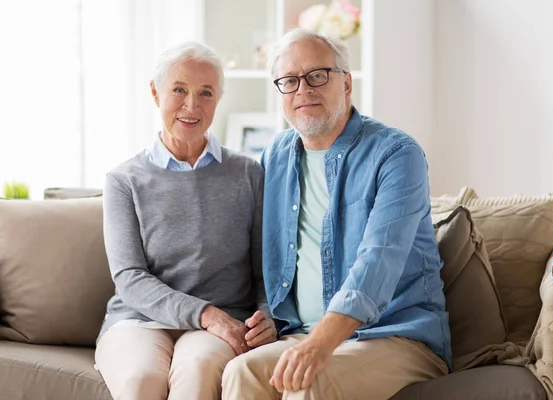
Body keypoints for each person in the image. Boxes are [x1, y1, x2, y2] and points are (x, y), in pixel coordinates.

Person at [222, 28, 451, 400]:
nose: (303, 90)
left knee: (308, 384)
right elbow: (266, 255)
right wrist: (267, 313)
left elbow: (378, 261)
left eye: (317, 76)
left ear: (346, 84)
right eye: (289, 81)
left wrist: (320, 344)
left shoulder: (396, 155)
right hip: (301, 332)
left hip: (395, 335)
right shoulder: (275, 156)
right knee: (240, 372)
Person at [95, 41, 277, 400]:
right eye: (179, 89)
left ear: (218, 100)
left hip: (223, 323)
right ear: (155, 92)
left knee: (197, 373)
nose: (191, 106)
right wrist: (205, 314)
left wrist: (266, 316)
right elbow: (129, 278)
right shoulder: (124, 180)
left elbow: (265, 268)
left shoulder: (249, 174)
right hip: (140, 321)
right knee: (140, 380)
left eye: (205, 93)